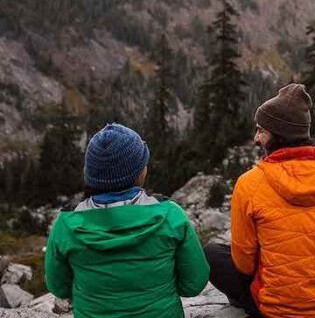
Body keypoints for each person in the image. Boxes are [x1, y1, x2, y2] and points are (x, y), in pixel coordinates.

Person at [205, 83, 315, 318]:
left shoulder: (250, 183)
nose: (256, 138)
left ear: (278, 134)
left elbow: (244, 264)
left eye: (261, 130)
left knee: (213, 254)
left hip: (275, 309)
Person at [45, 123, 209, 318]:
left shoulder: (66, 223)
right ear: (139, 173)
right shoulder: (170, 215)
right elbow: (194, 284)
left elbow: (59, 287)